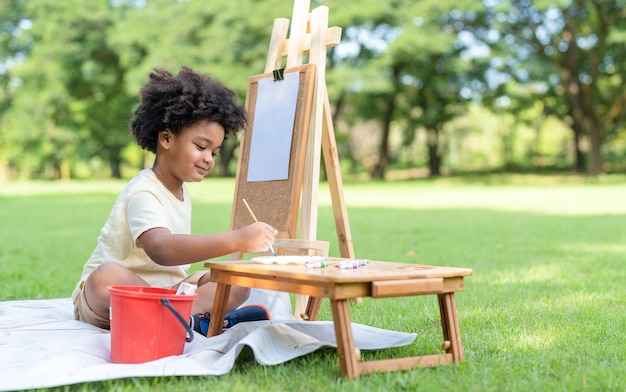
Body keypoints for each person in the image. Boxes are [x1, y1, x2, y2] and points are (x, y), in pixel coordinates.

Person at [71, 66, 277, 335]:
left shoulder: (180, 190)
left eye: (214, 152)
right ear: (166, 138)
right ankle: (197, 320)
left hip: (169, 292)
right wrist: (238, 239)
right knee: (106, 275)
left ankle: (180, 320)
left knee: (236, 282)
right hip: (110, 304)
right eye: (201, 147)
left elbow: (173, 269)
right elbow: (161, 248)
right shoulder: (144, 191)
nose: (209, 159)